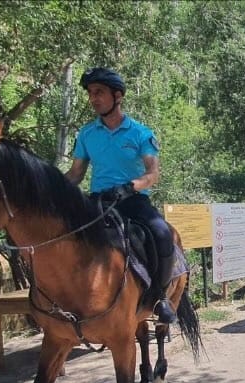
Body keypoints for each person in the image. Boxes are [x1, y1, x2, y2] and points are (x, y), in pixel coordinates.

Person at [64, 67, 176, 323]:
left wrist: (131, 186)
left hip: (132, 200)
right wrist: (52, 188)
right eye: (91, 93)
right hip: (98, 202)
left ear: (118, 96)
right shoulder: (87, 134)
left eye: (99, 92)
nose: (93, 98)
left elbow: (153, 173)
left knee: (161, 233)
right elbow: (76, 173)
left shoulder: (140, 133)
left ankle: (159, 298)